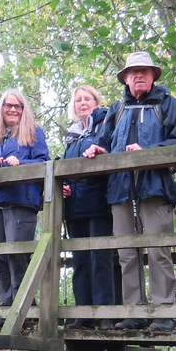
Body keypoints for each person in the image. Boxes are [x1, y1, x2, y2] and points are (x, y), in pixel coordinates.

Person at [84, 51, 176, 333]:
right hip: (120, 190)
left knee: (158, 250)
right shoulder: (116, 109)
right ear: (126, 78)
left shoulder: (168, 105)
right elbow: (104, 142)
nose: (139, 76)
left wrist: (147, 153)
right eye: (133, 72)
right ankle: (134, 311)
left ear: (153, 75)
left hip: (154, 188)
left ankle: (164, 311)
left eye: (144, 71)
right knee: (126, 252)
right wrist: (97, 150)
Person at [0, 89, 49, 313]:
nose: (13, 110)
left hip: (20, 201)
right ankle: (6, 304)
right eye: (9, 106)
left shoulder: (34, 133)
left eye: (18, 106)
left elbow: (44, 162)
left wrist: (21, 163)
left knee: (17, 253)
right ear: (1, 109)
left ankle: (23, 305)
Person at [62, 85, 115, 330]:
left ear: (96, 101)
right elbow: (65, 169)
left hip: (99, 201)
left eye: (87, 99)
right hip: (75, 206)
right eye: (78, 100)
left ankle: (105, 315)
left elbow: (114, 153)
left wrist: (101, 153)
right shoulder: (72, 136)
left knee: (100, 258)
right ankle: (83, 314)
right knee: (80, 260)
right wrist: (64, 187)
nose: (82, 103)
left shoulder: (105, 126)